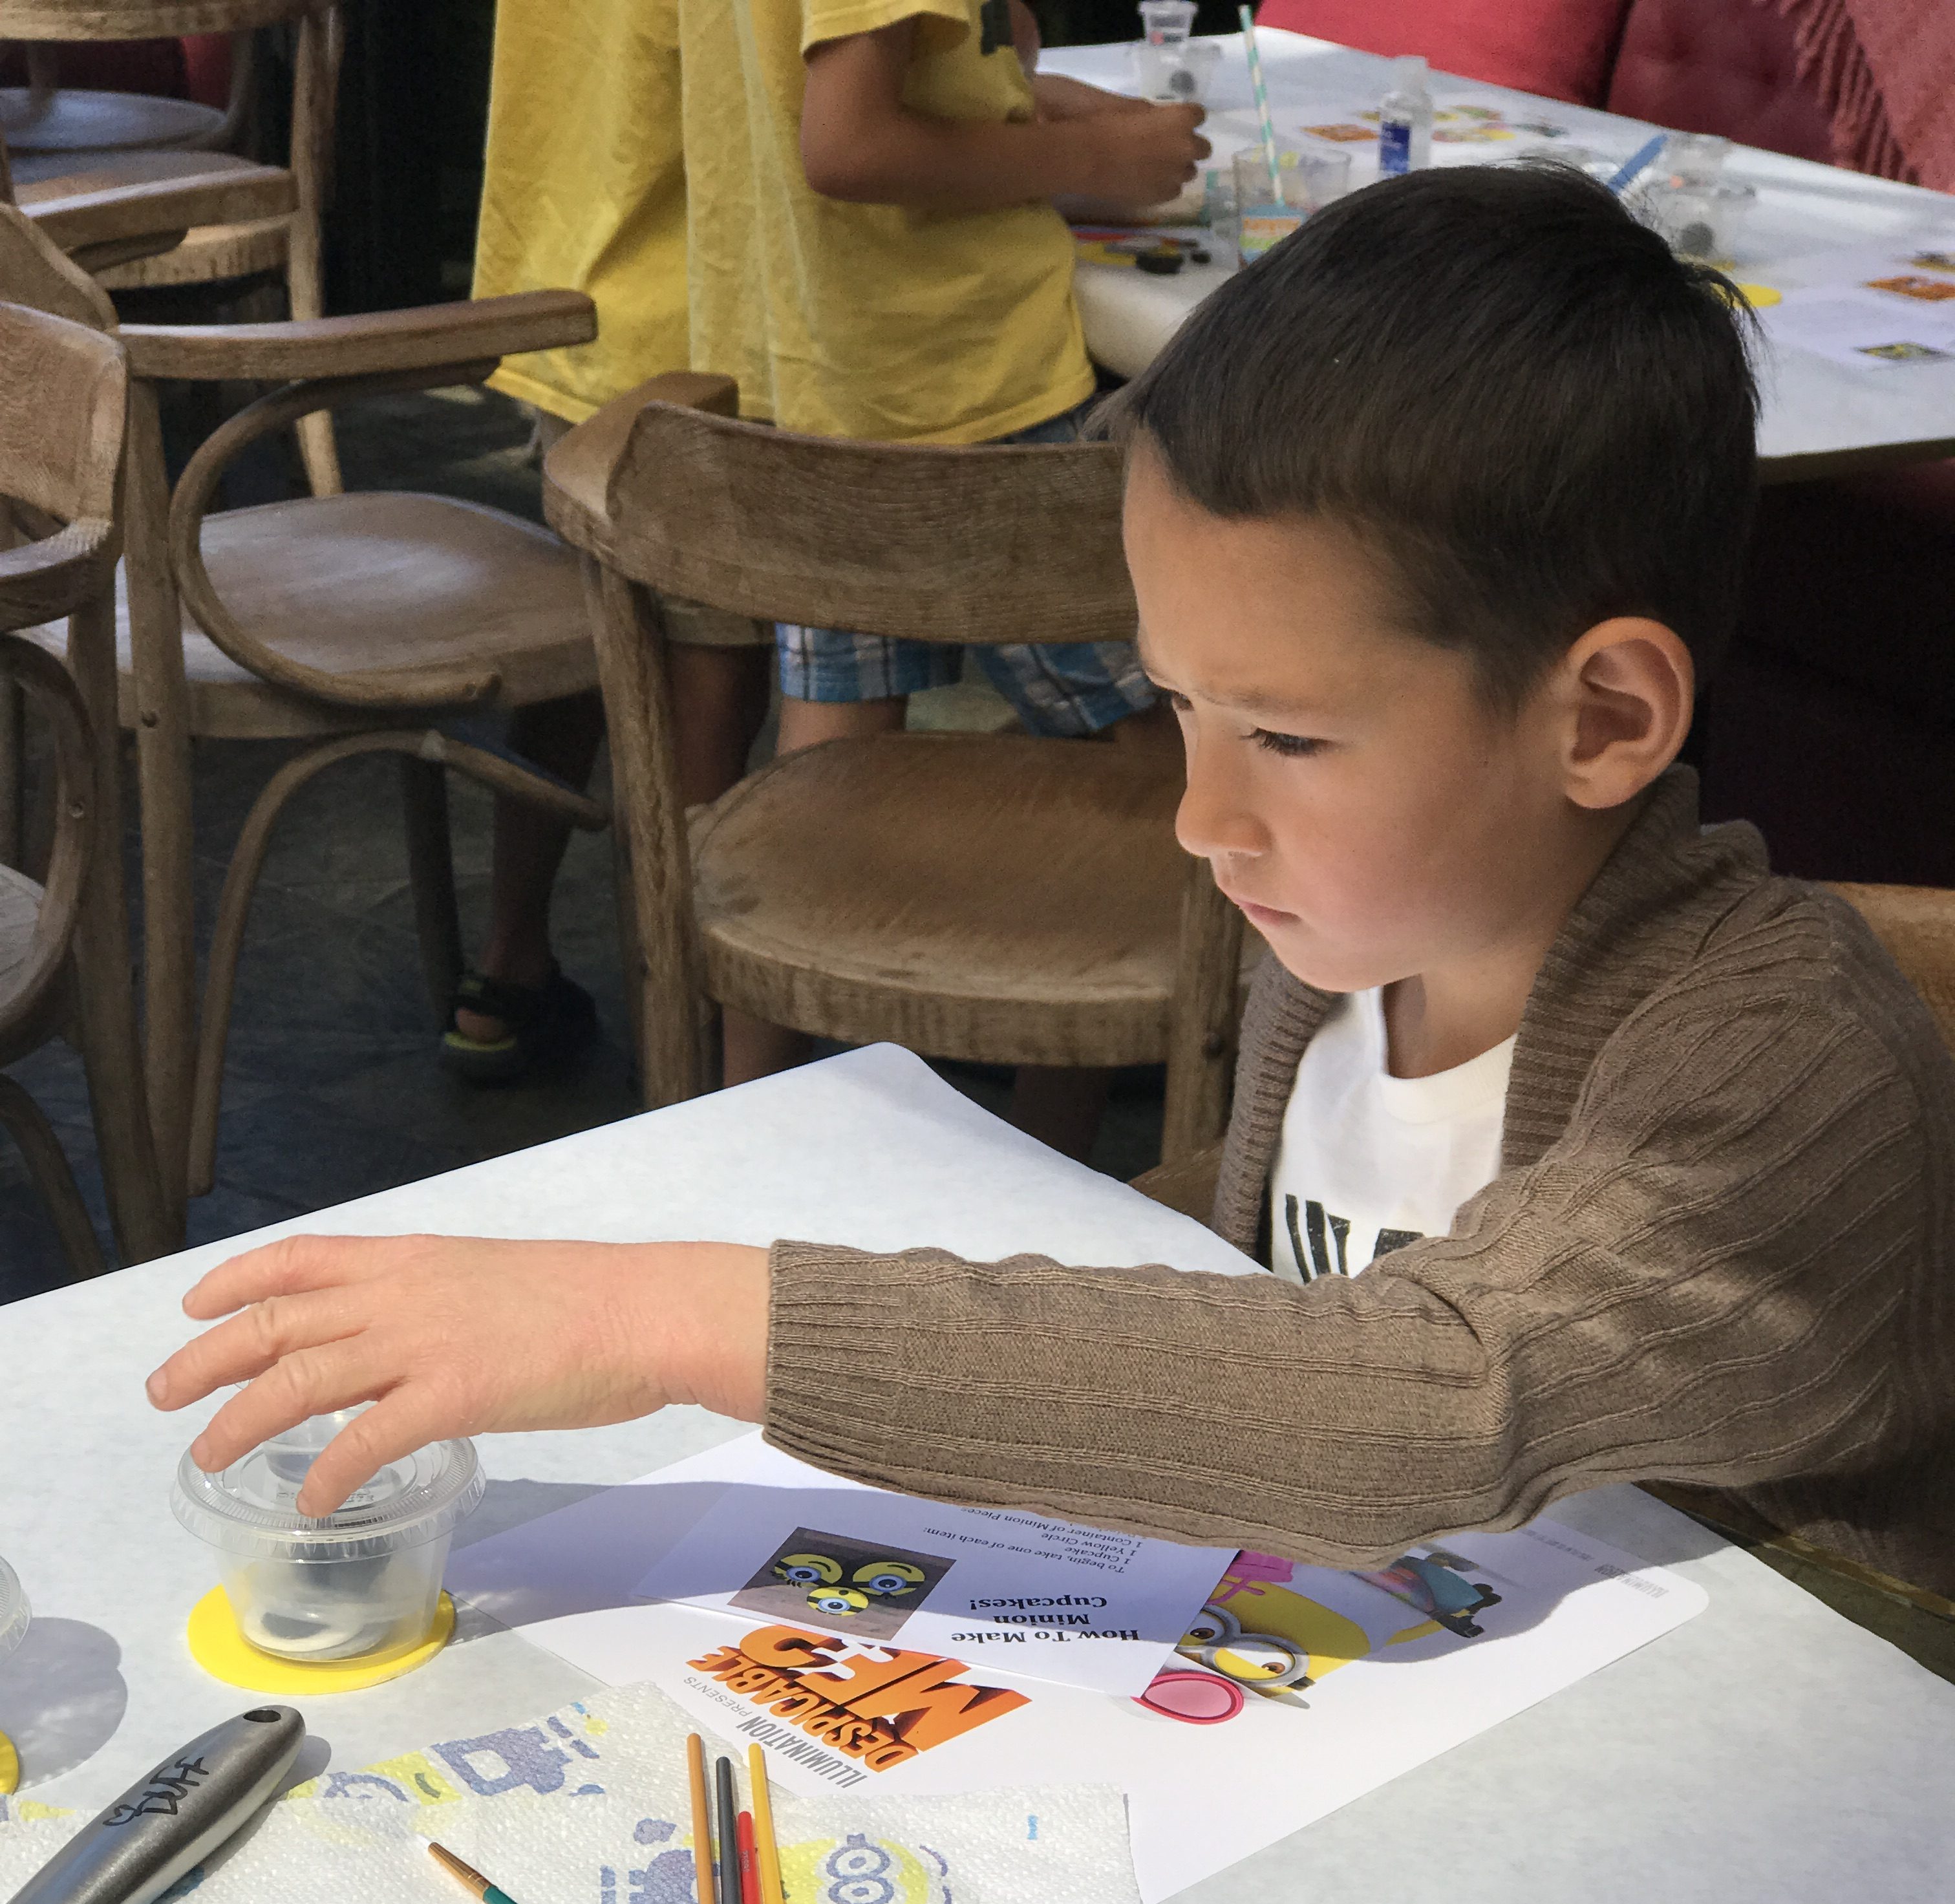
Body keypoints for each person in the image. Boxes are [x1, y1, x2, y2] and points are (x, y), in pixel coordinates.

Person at [147, 169, 1955, 1598]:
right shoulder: (1353, 946)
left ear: (1604, 718)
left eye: (1288, 735)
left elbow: (1431, 1395)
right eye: (1179, 708)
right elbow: (1257, 1274)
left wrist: (666, 1318)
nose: (1201, 817)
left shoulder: (1779, 1061)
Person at [682, 0, 1206, 1099]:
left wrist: (1023, 89)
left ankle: (749, 1114)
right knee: (1170, 760)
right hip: (964, 370)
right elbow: (850, 144)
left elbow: (893, 75)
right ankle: (1068, 1141)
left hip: (829, 358)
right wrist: (1098, 158)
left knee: (825, 773)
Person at [453, 0, 773, 1080]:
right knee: (706, 691)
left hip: (574, 282)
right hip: (700, 320)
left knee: (591, 656)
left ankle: (508, 967)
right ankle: (691, 1035)